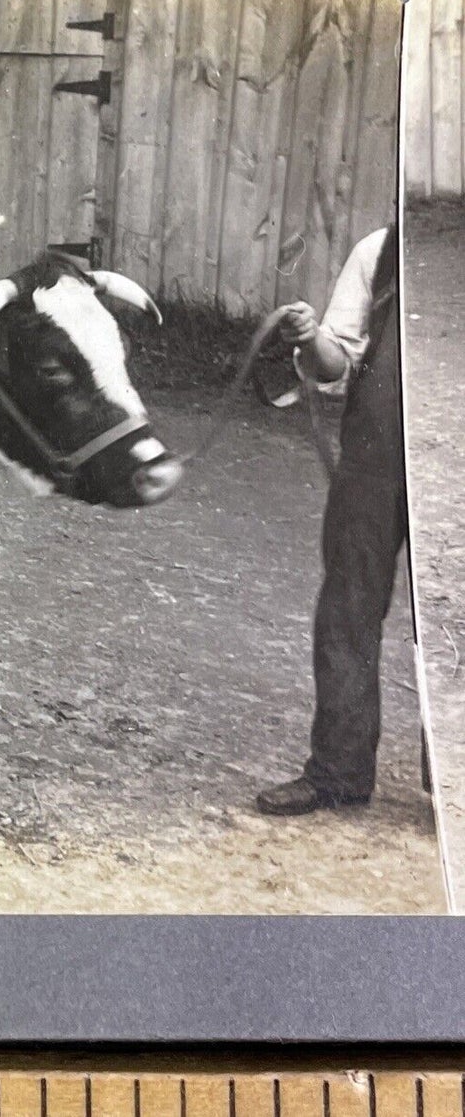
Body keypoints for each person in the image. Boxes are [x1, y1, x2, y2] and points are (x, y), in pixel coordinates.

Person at [256, 224, 406, 816]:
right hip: (378, 459)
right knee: (348, 609)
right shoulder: (383, 249)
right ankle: (339, 773)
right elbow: (330, 364)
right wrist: (309, 335)